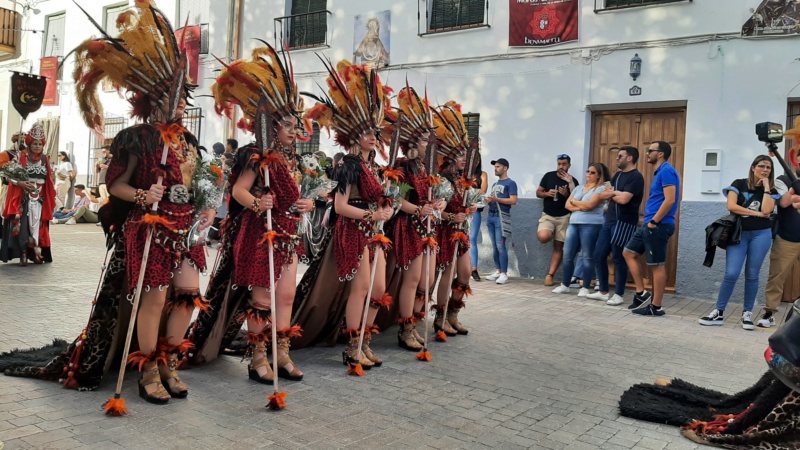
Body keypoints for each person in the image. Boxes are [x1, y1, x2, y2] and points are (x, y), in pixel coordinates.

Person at [1, 2, 219, 406]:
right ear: (155, 97)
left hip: (184, 230)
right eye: (175, 95)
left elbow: (198, 181)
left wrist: (206, 202)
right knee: (152, 298)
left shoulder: (187, 142)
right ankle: (148, 368)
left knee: (187, 294)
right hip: (149, 226)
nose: (182, 103)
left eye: (183, 96)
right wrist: (142, 195)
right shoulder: (135, 137)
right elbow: (112, 184)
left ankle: (169, 360)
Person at [189, 45, 311, 383]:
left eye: (294, 124)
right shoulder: (256, 154)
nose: (292, 129)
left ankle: (281, 352)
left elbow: (298, 193)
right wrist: (259, 203)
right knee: (262, 297)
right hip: (261, 233)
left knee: (286, 294)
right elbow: (238, 191)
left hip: (288, 232)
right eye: (286, 124)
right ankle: (257, 358)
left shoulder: (293, 160)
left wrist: (307, 203)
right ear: (271, 124)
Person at [292, 59, 393, 371]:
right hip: (354, 231)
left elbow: (382, 201)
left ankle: (365, 340)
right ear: (353, 135)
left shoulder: (375, 167)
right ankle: (352, 348)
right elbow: (339, 207)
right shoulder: (347, 165)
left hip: (375, 232)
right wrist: (371, 216)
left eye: (374, 131)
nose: (373, 136)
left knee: (378, 291)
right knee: (360, 289)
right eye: (366, 131)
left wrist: (386, 210)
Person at [382, 86, 442, 351]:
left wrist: (435, 204)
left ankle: (414, 324)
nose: (429, 144)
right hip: (408, 226)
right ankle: (405, 329)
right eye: (425, 140)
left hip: (425, 228)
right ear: (413, 142)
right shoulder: (403, 166)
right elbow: (396, 199)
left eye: (431, 140)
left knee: (424, 281)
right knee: (411, 279)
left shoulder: (426, 168)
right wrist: (418, 210)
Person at [697, 156, 778, 329]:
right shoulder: (739, 184)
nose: (765, 170)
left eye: (769, 168)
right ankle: (719, 312)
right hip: (739, 234)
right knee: (731, 273)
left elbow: (766, 209)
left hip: (761, 235)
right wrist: (755, 214)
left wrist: (765, 188)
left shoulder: (771, 189)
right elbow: (731, 206)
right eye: (762, 166)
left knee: (752, 274)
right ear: (753, 168)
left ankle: (747, 314)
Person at [432, 100, 479, 336]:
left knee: (465, 273)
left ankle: (453, 313)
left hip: (462, 233)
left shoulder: (464, 180)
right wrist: (451, 215)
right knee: (447, 274)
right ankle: (440, 319)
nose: (464, 158)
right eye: (460, 154)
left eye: (465, 154)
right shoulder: (442, 180)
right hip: (446, 232)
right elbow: (435, 209)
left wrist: (470, 208)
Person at [624, 141, 680, 316]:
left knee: (657, 265)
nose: (647, 153)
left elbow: (670, 199)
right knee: (628, 252)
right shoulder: (660, 172)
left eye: (650, 151)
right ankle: (641, 293)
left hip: (658, 225)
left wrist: (654, 222)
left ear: (661, 153)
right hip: (651, 224)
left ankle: (656, 307)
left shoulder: (667, 171)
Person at [587, 147, 645, 305]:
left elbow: (625, 200)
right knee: (599, 255)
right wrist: (615, 193)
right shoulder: (617, 175)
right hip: (609, 221)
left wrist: (614, 194)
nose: (617, 159)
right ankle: (603, 291)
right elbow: (602, 195)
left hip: (624, 222)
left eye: (620, 156)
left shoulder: (636, 177)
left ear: (630, 158)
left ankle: (619, 294)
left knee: (619, 258)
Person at [0, 123, 56, 265]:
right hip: (23, 198)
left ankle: (36, 252)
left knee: (38, 227)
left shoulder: (45, 160)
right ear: (29, 144)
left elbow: (48, 180)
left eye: (40, 144)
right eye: (34, 143)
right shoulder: (19, 158)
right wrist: (19, 183)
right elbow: (6, 175)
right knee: (23, 226)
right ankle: (23, 252)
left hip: (40, 199)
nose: (37, 146)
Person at [552, 162, 610, 296]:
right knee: (568, 254)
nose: (588, 174)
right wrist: (581, 206)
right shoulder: (579, 187)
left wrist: (576, 203)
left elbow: (590, 205)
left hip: (591, 225)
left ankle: (585, 287)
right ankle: (565, 284)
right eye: (588, 171)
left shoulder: (601, 189)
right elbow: (567, 204)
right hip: (574, 223)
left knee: (587, 256)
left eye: (592, 172)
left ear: (598, 175)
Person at [759, 168, 800, 328]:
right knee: (776, 277)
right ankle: (769, 313)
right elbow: (783, 202)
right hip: (786, 238)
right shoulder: (782, 180)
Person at [537, 155, 578, 287]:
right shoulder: (548, 176)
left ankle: (550, 275)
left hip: (564, 217)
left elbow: (574, 200)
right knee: (543, 237)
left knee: (559, 247)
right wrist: (546, 194)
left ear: (569, 165)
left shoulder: (573, 181)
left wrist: (566, 194)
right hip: (548, 215)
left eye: (564, 164)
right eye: (559, 164)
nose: (561, 166)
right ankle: (551, 232)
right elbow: (538, 192)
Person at [484, 158, 518, 284]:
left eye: (498, 166)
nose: (495, 169)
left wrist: (496, 200)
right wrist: (489, 201)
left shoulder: (511, 183)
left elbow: (513, 200)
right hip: (491, 216)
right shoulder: (495, 184)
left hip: (501, 217)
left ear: (505, 168)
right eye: (495, 167)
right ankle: (498, 270)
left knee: (501, 246)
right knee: (494, 246)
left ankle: (504, 273)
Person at [469, 157, 488, 281]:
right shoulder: (462, 172)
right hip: (461, 208)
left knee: (472, 238)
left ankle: (474, 269)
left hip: (474, 207)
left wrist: (470, 195)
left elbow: (483, 189)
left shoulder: (482, 174)